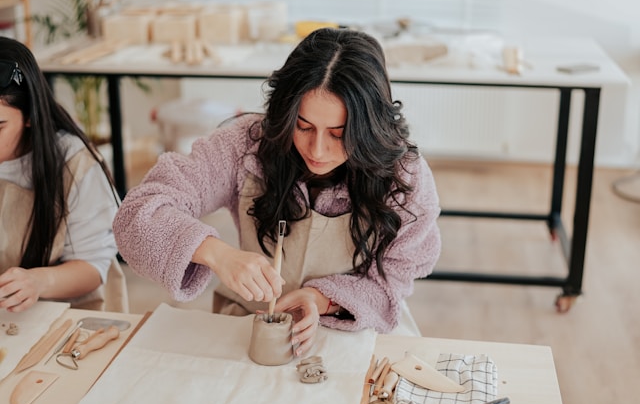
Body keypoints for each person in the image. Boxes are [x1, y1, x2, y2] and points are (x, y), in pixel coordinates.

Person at [114, 28, 440, 354]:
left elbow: (394, 280)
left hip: (357, 325)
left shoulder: (404, 176)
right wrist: (217, 253)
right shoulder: (245, 145)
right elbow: (138, 214)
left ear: (368, 127)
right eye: (304, 126)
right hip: (252, 320)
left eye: (339, 134)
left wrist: (321, 299)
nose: (318, 150)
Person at [0, 37, 127, 313]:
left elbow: (92, 266)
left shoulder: (73, 163)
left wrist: (38, 281)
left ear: (31, 115)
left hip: (68, 314)